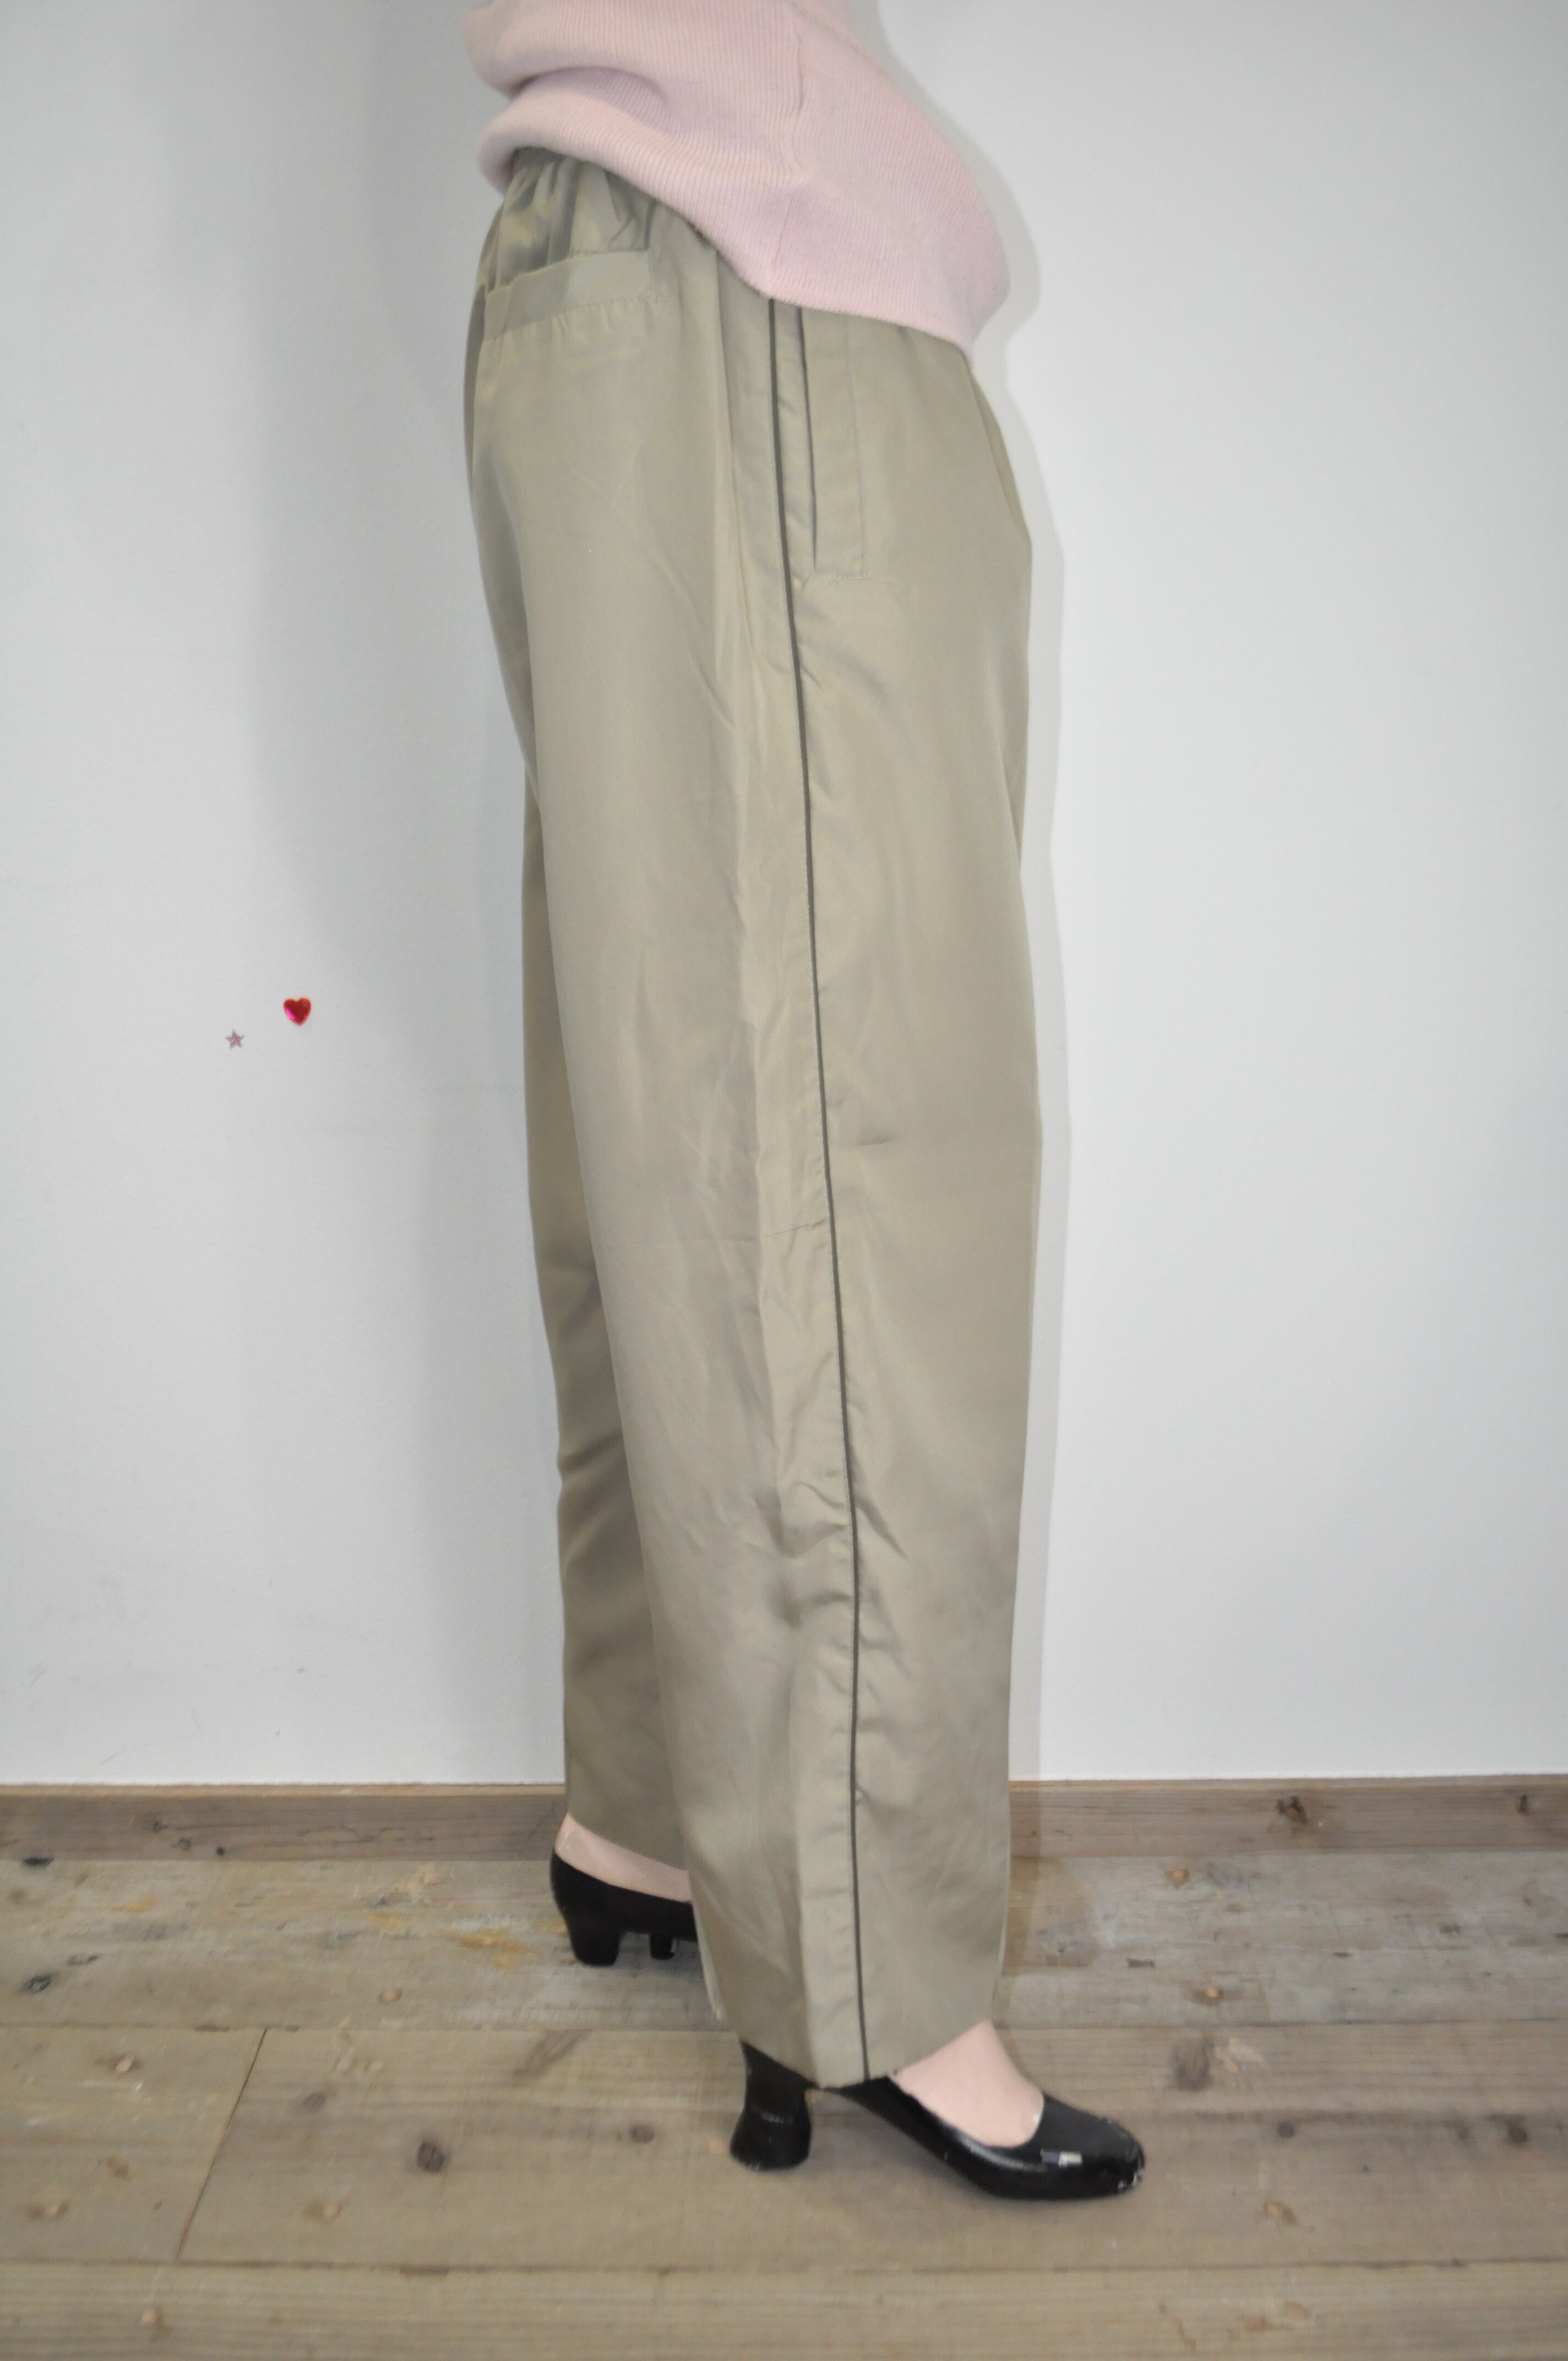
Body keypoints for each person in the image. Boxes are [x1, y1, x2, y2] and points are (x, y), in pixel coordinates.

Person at [460, 0, 1142, 2201]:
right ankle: (868, 1991)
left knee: (672, 1118)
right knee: (852, 1167)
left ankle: (655, 1816)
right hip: (752, 277)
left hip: (628, 270)